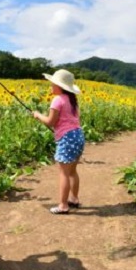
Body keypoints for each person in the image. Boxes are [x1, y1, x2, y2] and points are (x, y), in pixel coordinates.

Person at [33, 69, 85, 215]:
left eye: (53, 84)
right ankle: (74, 199)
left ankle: (63, 205)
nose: (51, 86)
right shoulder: (72, 100)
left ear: (59, 86)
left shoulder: (57, 100)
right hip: (78, 136)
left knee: (63, 173)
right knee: (72, 171)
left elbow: (50, 122)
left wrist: (37, 115)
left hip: (67, 139)